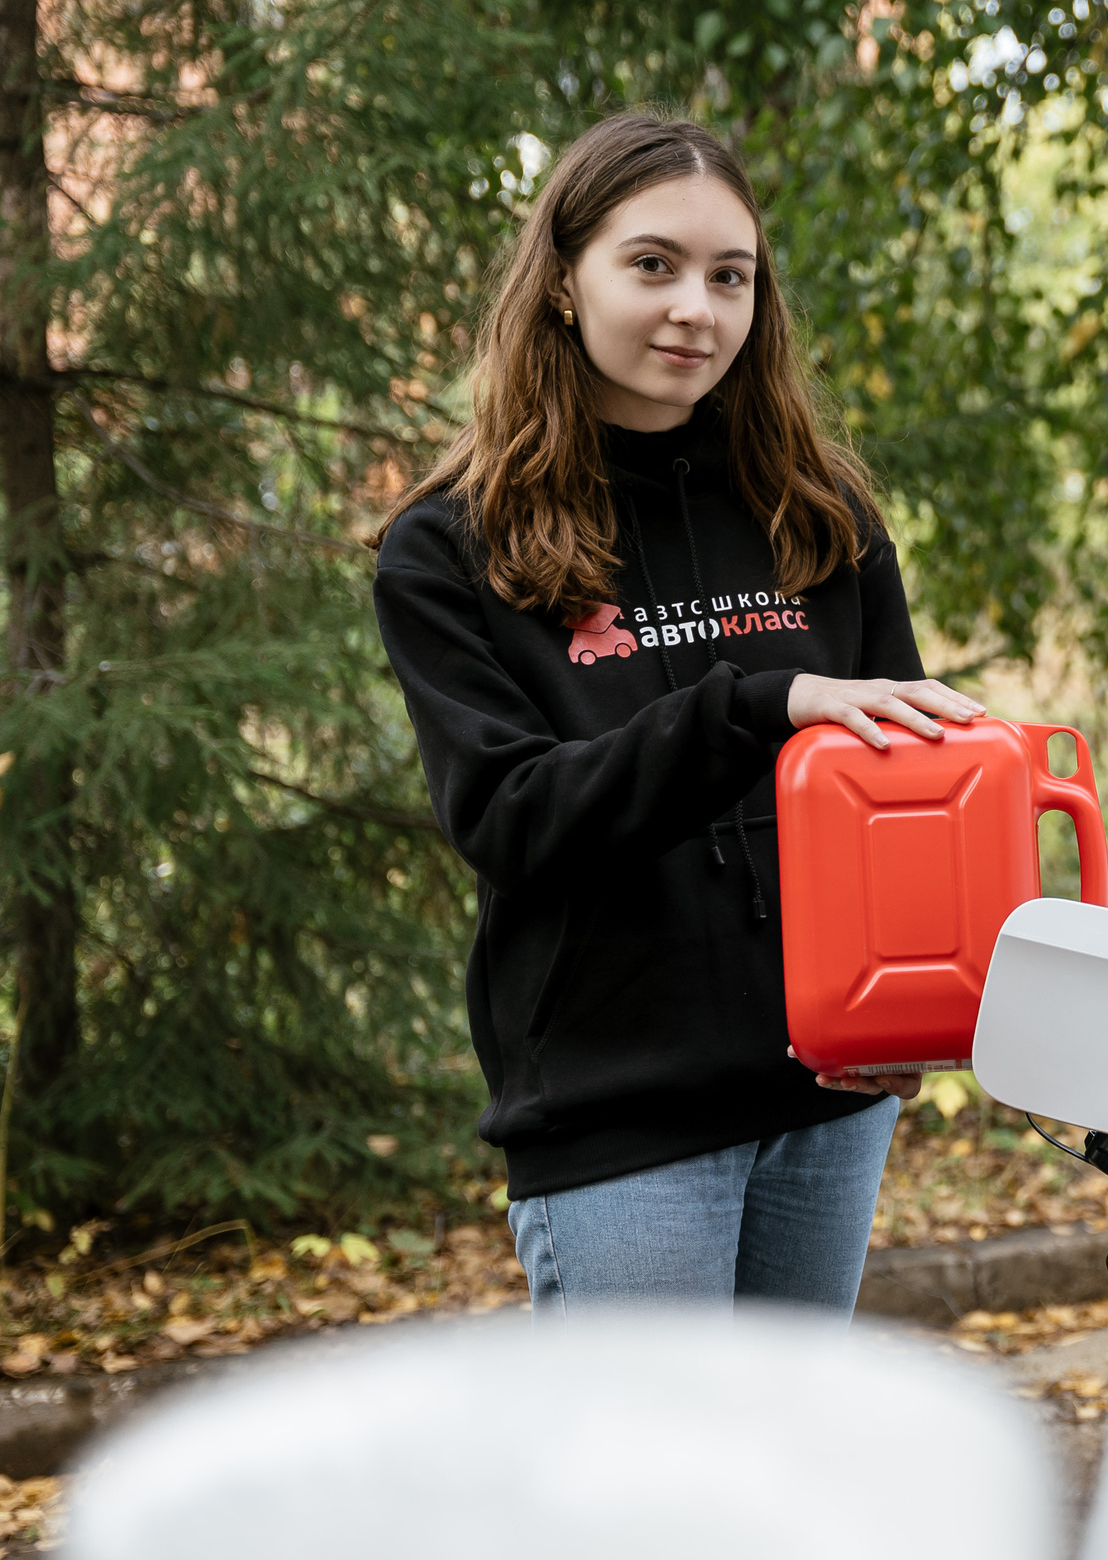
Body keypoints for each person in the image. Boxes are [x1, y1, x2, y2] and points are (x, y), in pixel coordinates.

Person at [370, 112, 983, 1315]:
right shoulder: (449, 549)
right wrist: (758, 706)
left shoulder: (820, 515)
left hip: (830, 1100)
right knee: (652, 1499)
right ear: (560, 282)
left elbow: (904, 789)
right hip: (621, 1120)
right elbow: (510, 816)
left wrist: (926, 998)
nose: (694, 309)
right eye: (651, 264)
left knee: (787, 1479)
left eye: (729, 276)